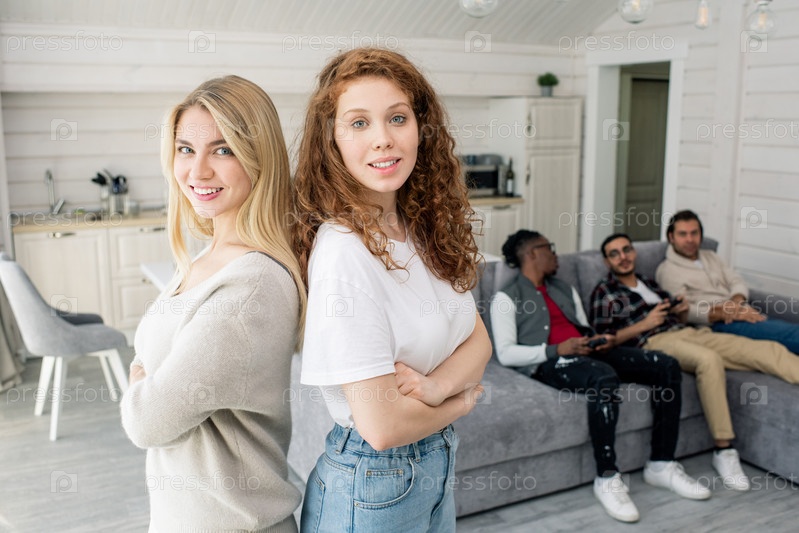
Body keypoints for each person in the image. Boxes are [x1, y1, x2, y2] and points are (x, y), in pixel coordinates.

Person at [293, 47, 492, 533]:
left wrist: (435, 388)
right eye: (359, 123)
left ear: (421, 128)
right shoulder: (344, 251)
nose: (383, 138)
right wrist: (460, 402)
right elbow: (382, 428)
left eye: (397, 118)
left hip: (432, 463)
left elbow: (479, 340)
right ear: (332, 140)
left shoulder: (421, 228)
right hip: (372, 483)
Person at [120, 75, 306, 532]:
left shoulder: (250, 288)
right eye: (186, 149)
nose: (197, 171)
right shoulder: (209, 257)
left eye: (222, 150)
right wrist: (149, 382)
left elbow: (147, 422)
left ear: (259, 158)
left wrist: (142, 381)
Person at [490, 230, 708, 523]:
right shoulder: (506, 297)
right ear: (532, 254)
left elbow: (583, 327)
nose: (555, 254)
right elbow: (505, 353)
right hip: (551, 362)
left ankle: (661, 464)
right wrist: (556, 349)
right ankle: (606, 477)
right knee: (604, 378)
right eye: (549, 248)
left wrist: (598, 340)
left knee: (665, 365)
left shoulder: (563, 288)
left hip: (587, 352)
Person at [590, 233, 799, 494]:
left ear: (634, 252)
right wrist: (646, 324)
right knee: (708, 360)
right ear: (606, 261)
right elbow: (604, 342)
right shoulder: (605, 292)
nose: (623, 257)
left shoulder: (648, 282)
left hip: (690, 332)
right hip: (654, 342)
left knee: (768, 349)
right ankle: (724, 451)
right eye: (615, 253)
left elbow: (680, 315)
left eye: (627, 250)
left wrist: (679, 311)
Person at [657, 209, 799, 355]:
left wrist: (735, 303)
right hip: (717, 324)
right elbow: (682, 312)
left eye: (694, 233)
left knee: (788, 331)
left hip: (740, 311)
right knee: (791, 335)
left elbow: (736, 281)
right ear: (671, 237)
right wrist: (724, 312)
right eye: (682, 234)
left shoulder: (711, 256)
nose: (690, 239)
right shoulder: (668, 270)